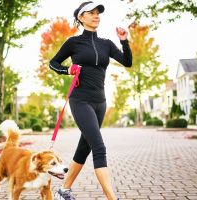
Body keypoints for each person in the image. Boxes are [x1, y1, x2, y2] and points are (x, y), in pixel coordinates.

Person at [49, 1, 132, 200]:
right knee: (99, 147)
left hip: (100, 102)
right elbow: (53, 63)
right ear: (81, 17)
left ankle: (63, 190)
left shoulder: (106, 44)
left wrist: (124, 41)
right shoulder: (73, 43)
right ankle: (112, 197)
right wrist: (67, 70)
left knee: (84, 147)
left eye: (98, 13)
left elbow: (127, 62)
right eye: (91, 13)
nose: (96, 16)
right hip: (80, 100)